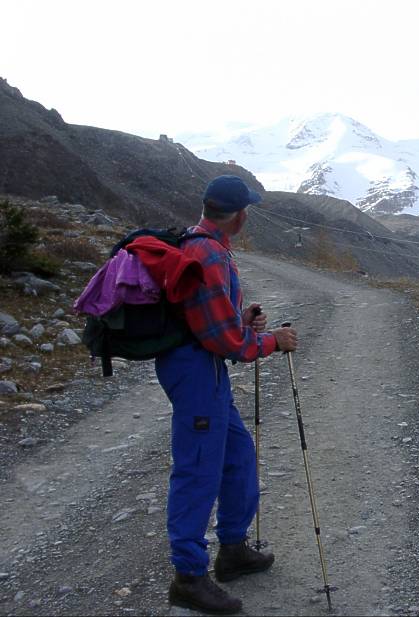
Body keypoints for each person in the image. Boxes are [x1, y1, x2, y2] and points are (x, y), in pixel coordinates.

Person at [156, 175, 298, 614]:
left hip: (202, 370)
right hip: (196, 373)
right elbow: (227, 342)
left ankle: (233, 550)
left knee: (237, 455)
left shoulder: (200, 244)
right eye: (247, 209)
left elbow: (209, 319)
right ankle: (188, 578)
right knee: (198, 471)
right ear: (239, 215)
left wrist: (242, 317)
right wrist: (273, 341)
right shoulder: (209, 254)